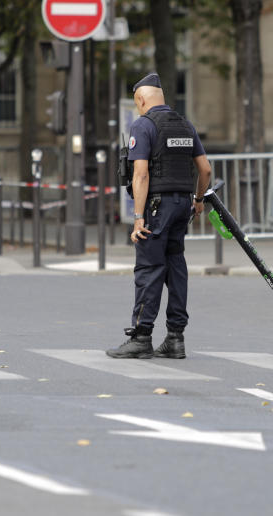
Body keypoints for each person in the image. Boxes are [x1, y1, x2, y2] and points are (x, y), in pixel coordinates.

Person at [106, 73, 212, 359]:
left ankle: (141, 337)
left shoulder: (142, 125)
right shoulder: (185, 124)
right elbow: (205, 170)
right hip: (182, 205)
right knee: (175, 266)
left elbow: (141, 174)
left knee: (149, 269)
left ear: (141, 99)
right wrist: (199, 200)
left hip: (156, 207)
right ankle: (175, 338)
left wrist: (138, 217)